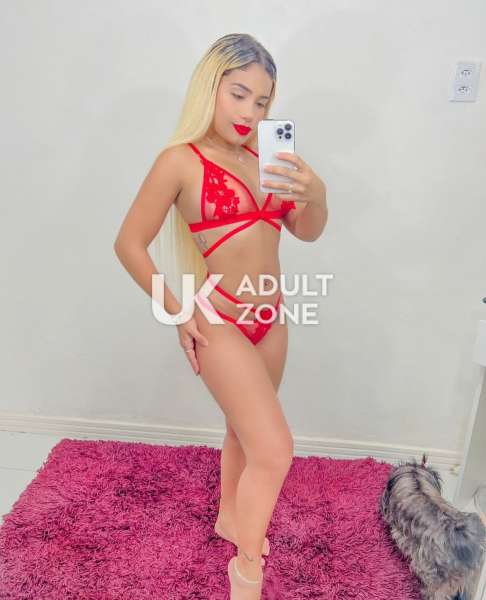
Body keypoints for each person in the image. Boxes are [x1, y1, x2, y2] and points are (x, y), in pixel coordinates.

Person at [114, 32, 328, 599]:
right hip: (220, 319)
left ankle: (232, 517)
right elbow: (129, 244)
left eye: (262, 101)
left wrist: (317, 193)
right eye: (238, 94)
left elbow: (305, 231)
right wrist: (177, 310)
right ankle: (246, 573)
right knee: (275, 449)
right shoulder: (179, 161)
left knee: (246, 430)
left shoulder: (266, 158)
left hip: (271, 319)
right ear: (210, 86)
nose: (249, 112)